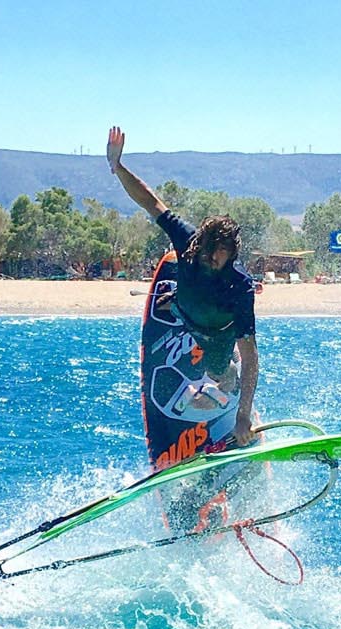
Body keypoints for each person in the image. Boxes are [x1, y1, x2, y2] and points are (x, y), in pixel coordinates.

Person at [107, 125, 258, 446]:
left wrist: (243, 414)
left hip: (218, 333)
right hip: (186, 311)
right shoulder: (187, 240)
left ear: (231, 256)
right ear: (199, 245)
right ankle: (174, 300)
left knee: (222, 374)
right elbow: (151, 202)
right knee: (179, 303)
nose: (212, 263)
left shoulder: (239, 286)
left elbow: (251, 355)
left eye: (221, 260)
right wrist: (117, 168)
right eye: (208, 256)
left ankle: (232, 393)